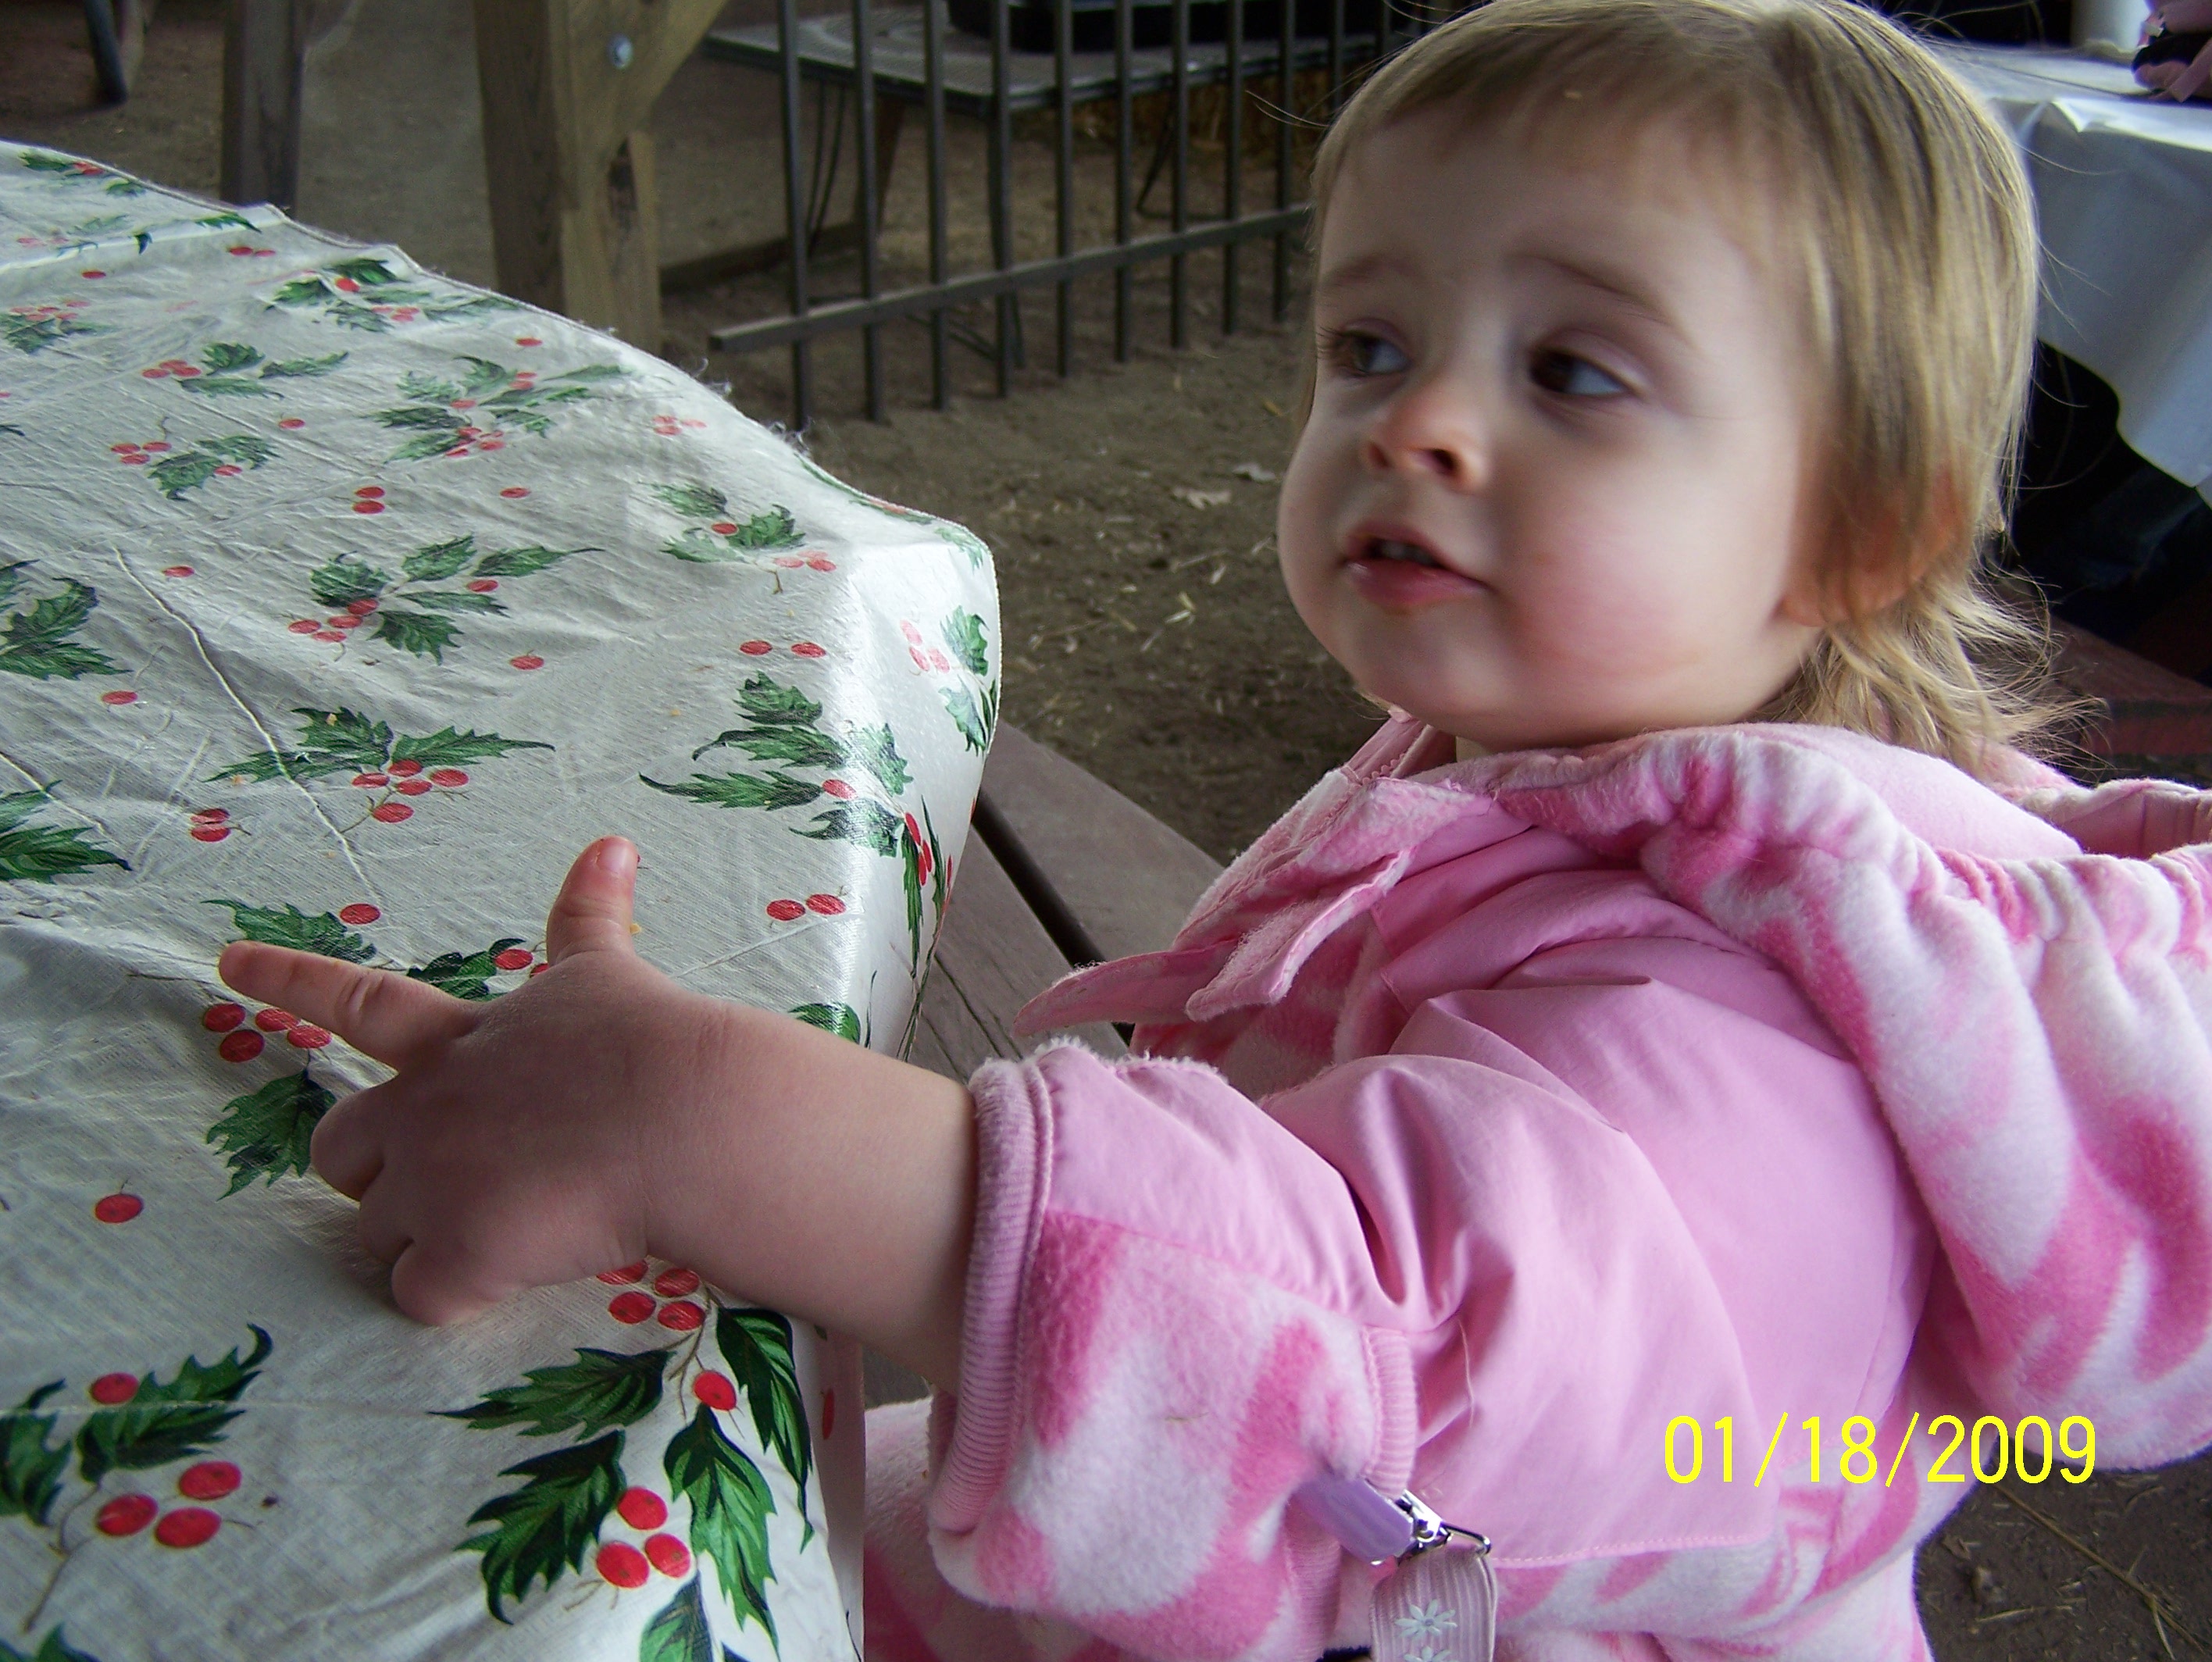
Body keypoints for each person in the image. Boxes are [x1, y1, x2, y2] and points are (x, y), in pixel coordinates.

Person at [220, 0, 2212, 1656]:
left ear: (1856, 528)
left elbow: (1356, 1367)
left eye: (1573, 368)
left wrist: (684, 1117)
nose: (1415, 421)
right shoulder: (1595, 775)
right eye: (1371, 345)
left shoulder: (1756, 1048)